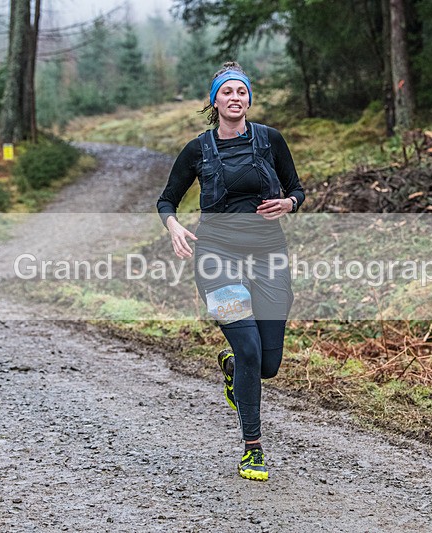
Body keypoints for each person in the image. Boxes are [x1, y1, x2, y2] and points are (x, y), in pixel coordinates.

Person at [156, 61, 304, 481]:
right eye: (227, 92)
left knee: (267, 364)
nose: (235, 97)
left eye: (241, 91)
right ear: (215, 101)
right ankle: (252, 449)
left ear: (248, 100)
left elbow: (297, 189)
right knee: (250, 349)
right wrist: (174, 227)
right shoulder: (197, 150)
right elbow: (166, 200)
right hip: (216, 258)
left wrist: (289, 203)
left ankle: (234, 370)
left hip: (269, 256)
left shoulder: (270, 140)